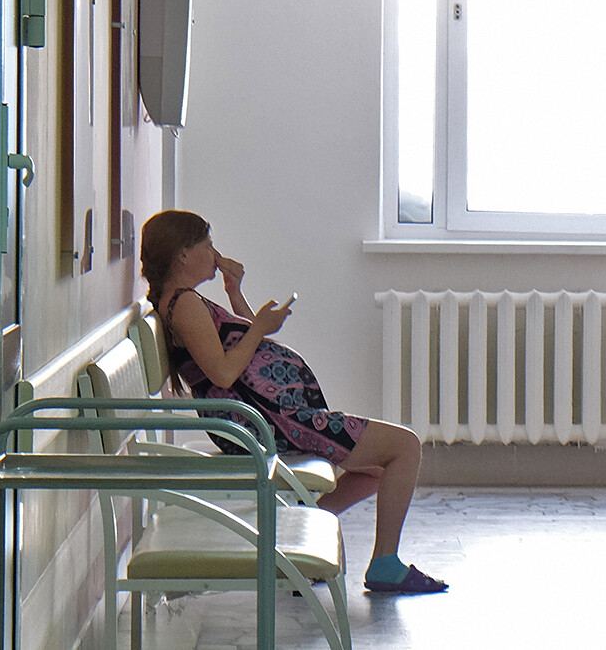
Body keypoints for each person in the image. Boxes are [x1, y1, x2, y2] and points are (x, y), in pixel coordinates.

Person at [140, 209, 447, 594]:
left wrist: (235, 293)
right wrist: (260, 327)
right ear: (183, 255)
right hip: (270, 423)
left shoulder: (185, 301)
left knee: (378, 467)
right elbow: (223, 373)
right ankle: (384, 563)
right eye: (208, 245)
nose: (215, 254)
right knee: (405, 446)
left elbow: (240, 348)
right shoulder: (184, 304)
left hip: (271, 417)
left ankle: (305, 533)